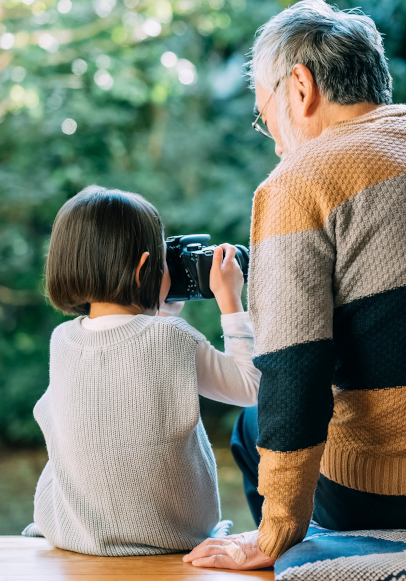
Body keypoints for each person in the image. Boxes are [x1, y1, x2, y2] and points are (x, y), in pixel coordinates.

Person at [184, 0, 406, 571]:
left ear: (300, 87)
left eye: (267, 119)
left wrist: (275, 531)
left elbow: (291, 372)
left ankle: (309, 566)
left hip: (388, 498)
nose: (276, 143)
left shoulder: (297, 182)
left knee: (253, 424)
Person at [24, 186, 260, 556]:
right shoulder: (174, 338)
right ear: (143, 268)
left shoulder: (62, 339)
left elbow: (128, 360)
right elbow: (250, 388)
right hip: (173, 533)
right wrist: (230, 300)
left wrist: (160, 314)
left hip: (76, 532)